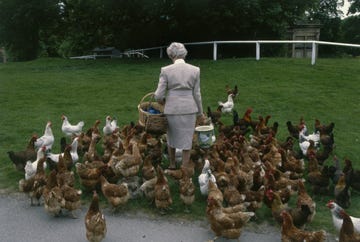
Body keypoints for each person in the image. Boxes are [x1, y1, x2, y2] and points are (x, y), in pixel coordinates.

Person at [154, 42, 204, 170]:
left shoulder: (165, 70)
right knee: (187, 140)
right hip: (190, 108)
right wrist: (200, 113)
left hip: (172, 108)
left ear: (171, 55)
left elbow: (158, 95)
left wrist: (162, 102)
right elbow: (197, 94)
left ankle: (171, 164)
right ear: (184, 54)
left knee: (172, 137)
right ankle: (184, 167)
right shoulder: (195, 70)